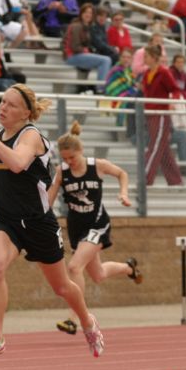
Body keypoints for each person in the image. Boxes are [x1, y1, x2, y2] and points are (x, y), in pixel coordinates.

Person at [0, 84, 104, 361]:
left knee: (62, 286)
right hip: (5, 217)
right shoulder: (1, 134)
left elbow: (18, 163)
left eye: (11, 105)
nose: (3, 108)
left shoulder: (31, 136)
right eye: (2, 102)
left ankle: (88, 322)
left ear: (26, 113)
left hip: (37, 221)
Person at [47, 121, 142, 335]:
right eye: (65, 158)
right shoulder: (61, 172)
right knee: (98, 275)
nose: (69, 162)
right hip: (76, 227)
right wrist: (41, 215)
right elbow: (50, 198)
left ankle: (75, 318)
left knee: (73, 267)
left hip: (97, 223)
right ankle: (129, 268)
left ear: (80, 151)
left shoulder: (96, 165)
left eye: (72, 157)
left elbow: (122, 174)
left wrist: (123, 193)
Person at [142, 44, 182, 186]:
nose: (144, 59)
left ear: (154, 58)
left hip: (161, 115)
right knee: (163, 150)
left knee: (155, 146)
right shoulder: (146, 73)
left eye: (146, 56)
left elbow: (175, 90)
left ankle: (145, 178)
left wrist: (172, 101)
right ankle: (176, 181)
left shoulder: (164, 72)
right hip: (150, 114)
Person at [63, 3, 112, 86]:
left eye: (90, 13)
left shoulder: (87, 26)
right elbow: (74, 47)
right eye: (86, 12)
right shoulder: (76, 26)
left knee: (105, 61)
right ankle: (100, 89)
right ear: (81, 13)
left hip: (79, 55)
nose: (88, 15)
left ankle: (100, 86)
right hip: (72, 56)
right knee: (106, 60)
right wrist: (85, 50)